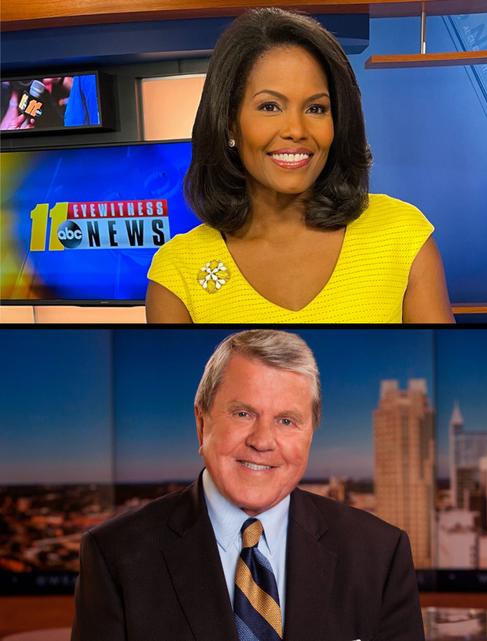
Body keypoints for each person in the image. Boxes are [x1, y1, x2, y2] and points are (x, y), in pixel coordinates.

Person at [71, 330, 424, 641]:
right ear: (201, 421)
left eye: (287, 421)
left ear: (310, 436)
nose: (263, 441)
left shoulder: (380, 553)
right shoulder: (116, 555)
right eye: (243, 414)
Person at [146, 8, 453, 323]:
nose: (296, 129)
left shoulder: (401, 234)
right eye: (270, 106)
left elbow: (447, 371)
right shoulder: (178, 272)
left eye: (316, 108)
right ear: (230, 125)